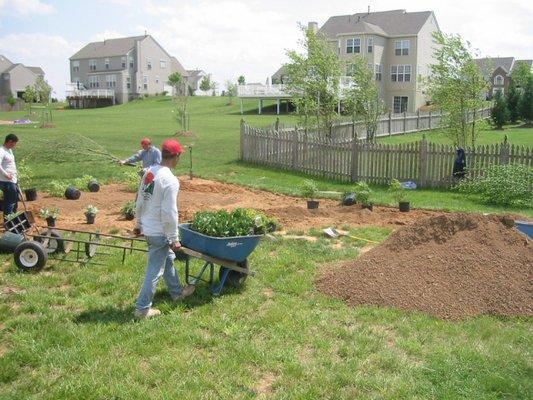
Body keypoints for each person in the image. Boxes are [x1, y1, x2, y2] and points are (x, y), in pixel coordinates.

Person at [133, 138, 194, 319]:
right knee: (154, 270)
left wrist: (138, 223)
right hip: (159, 231)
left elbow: (140, 199)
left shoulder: (149, 172)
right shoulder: (170, 180)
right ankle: (142, 309)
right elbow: (170, 212)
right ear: (176, 156)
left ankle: (177, 293)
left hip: (149, 227)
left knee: (167, 260)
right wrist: (174, 238)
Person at [0, 134, 19, 220]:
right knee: (10, 201)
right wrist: (6, 174)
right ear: (10, 141)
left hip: (13, 180)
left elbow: (10, 163)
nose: (14, 145)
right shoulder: (1, 151)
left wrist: (15, 174)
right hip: (6, 181)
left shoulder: (9, 150)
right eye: (14, 143)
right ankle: (8, 220)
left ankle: (13, 218)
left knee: (14, 200)